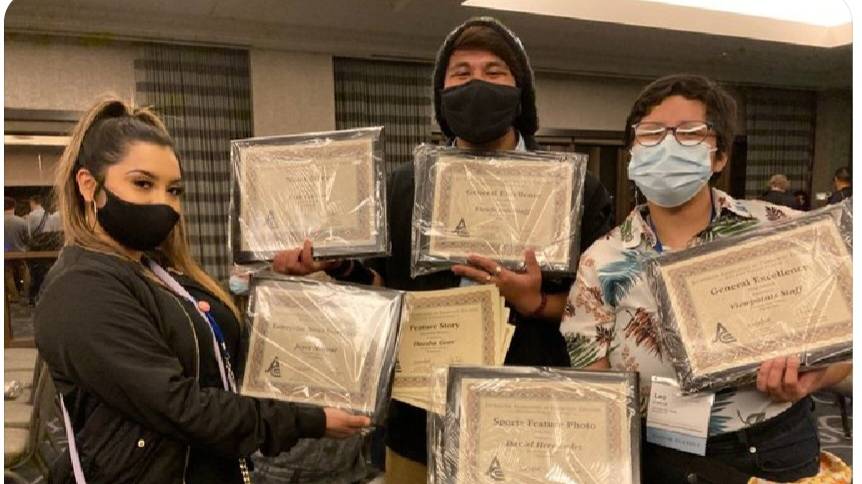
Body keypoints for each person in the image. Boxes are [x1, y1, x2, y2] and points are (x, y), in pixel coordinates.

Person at [271, 17, 613, 483]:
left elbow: (595, 316)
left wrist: (532, 301)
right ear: (441, 94)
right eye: (461, 73)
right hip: (420, 420)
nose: (477, 84)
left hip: (532, 425)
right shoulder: (400, 188)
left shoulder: (575, 191)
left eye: (495, 73)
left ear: (521, 91)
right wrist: (337, 267)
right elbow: (382, 291)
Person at [34, 98, 371, 483]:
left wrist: (284, 290)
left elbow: (223, 356)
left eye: (173, 189)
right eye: (142, 184)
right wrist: (311, 419)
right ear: (89, 185)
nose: (162, 202)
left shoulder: (156, 270)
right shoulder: (81, 290)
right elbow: (181, 406)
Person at [561, 74, 851, 483]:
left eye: (690, 133)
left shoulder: (783, 233)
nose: (667, 144)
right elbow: (594, 380)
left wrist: (814, 377)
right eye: (651, 133)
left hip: (773, 444)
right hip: (658, 453)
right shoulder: (601, 260)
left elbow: (846, 344)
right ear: (632, 153)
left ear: (719, 157)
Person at [5, 196, 30, 301]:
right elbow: (27, 238)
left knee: (8, 274)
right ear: (14, 207)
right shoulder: (22, 221)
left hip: (5, 253)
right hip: (20, 252)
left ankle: (14, 296)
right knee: (24, 272)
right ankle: (26, 294)